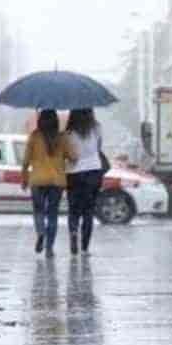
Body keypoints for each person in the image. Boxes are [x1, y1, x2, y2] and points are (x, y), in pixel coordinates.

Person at [22, 109, 77, 258]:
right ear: (56, 121)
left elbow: (26, 160)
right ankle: (49, 249)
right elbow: (73, 157)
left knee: (38, 212)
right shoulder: (62, 138)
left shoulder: (34, 136)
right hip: (56, 181)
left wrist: (24, 178)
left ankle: (40, 232)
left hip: (37, 180)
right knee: (52, 215)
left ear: (40, 121)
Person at [65, 108, 105, 255]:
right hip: (93, 171)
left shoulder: (69, 133)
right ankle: (84, 248)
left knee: (73, 209)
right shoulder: (96, 128)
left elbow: (67, 154)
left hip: (73, 173)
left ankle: (73, 231)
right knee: (88, 211)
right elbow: (99, 147)